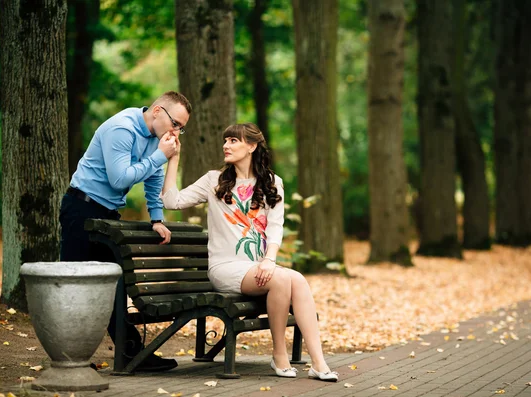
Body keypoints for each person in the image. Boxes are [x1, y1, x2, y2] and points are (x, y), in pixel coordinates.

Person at [161, 123, 339, 381]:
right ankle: (279, 354)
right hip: (225, 268)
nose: (226, 145)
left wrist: (269, 260)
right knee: (281, 279)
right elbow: (171, 201)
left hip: (259, 267)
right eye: (225, 141)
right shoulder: (214, 181)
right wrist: (174, 158)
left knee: (297, 280)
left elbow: (275, 228)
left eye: (233, 140)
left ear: (252, 146)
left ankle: (319, 363)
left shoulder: (272, 183)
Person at [59, 91, 191, 372]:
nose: (177, 131)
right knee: (76, 287)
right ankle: (69, 360)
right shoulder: (122, 128)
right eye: (175, 123)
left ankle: (132, 355)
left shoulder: (157, 140)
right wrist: (160, 157)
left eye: (182, 127)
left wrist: (157, 218)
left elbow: (153, 183)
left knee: (115, 286)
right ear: (157, 111)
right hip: (81, 209)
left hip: (107, 215)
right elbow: (119, 180)